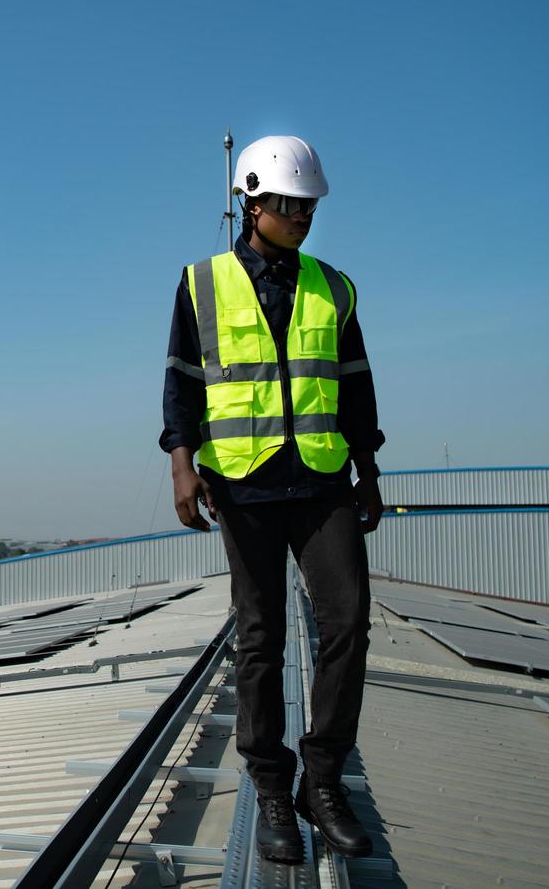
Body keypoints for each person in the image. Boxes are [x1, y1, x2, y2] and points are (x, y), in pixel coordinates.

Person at [159, 134, 383, 863]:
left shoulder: (334, 285)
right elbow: (182, 382)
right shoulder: (201, 283)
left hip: (321, 480)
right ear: (249, 201)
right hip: (245, 484)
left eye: (308, 206)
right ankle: (268, 788)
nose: (301, 217)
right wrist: (181, 466)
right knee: (260, 637)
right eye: (288, 205)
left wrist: (369, 471)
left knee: (347, 622)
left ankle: (322, 781)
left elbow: (354, 382)